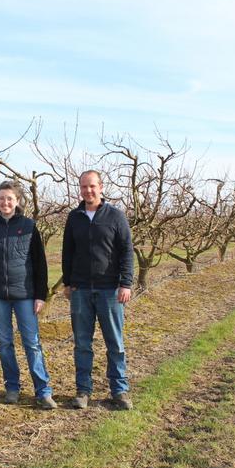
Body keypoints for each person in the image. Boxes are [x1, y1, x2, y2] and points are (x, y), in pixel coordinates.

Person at [0, 180, 57, 410]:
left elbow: (40, 263)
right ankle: (12, 387)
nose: (5, 202)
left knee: (32, 343)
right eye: (1, 198)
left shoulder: (29, 226)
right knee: (5, 343)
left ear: (17, 201)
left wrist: (41, 294)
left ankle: (43, 390)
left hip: (26, 294)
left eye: (10, 198)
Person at [62, 170, 134, 410]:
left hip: (110, 290)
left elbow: (126, 251)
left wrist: (126, 283)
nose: (88, 191)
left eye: (92, 186)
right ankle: (83, 390)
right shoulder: (74, 217)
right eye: (83, 187)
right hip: (81, 289)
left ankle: (119, 390)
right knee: (82, 343)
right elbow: (67, 252)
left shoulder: (115, 216)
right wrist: (68, 282)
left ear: (101, 187)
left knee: (115, 342)